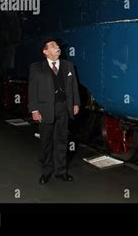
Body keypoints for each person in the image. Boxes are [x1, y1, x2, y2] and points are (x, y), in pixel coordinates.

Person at [28, 38, 80, 184]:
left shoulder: (68, 66)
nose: (57, 47)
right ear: (45, 51)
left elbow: (74, 86)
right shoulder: (36, 67)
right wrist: (34, 110)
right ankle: (46, 172)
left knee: (62, 141)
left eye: (57, 45)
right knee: (46, 142)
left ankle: (61, 172)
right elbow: (32, 90)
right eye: (53, 46)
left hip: (63, 108)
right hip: (45, 110)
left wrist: (75, 103)